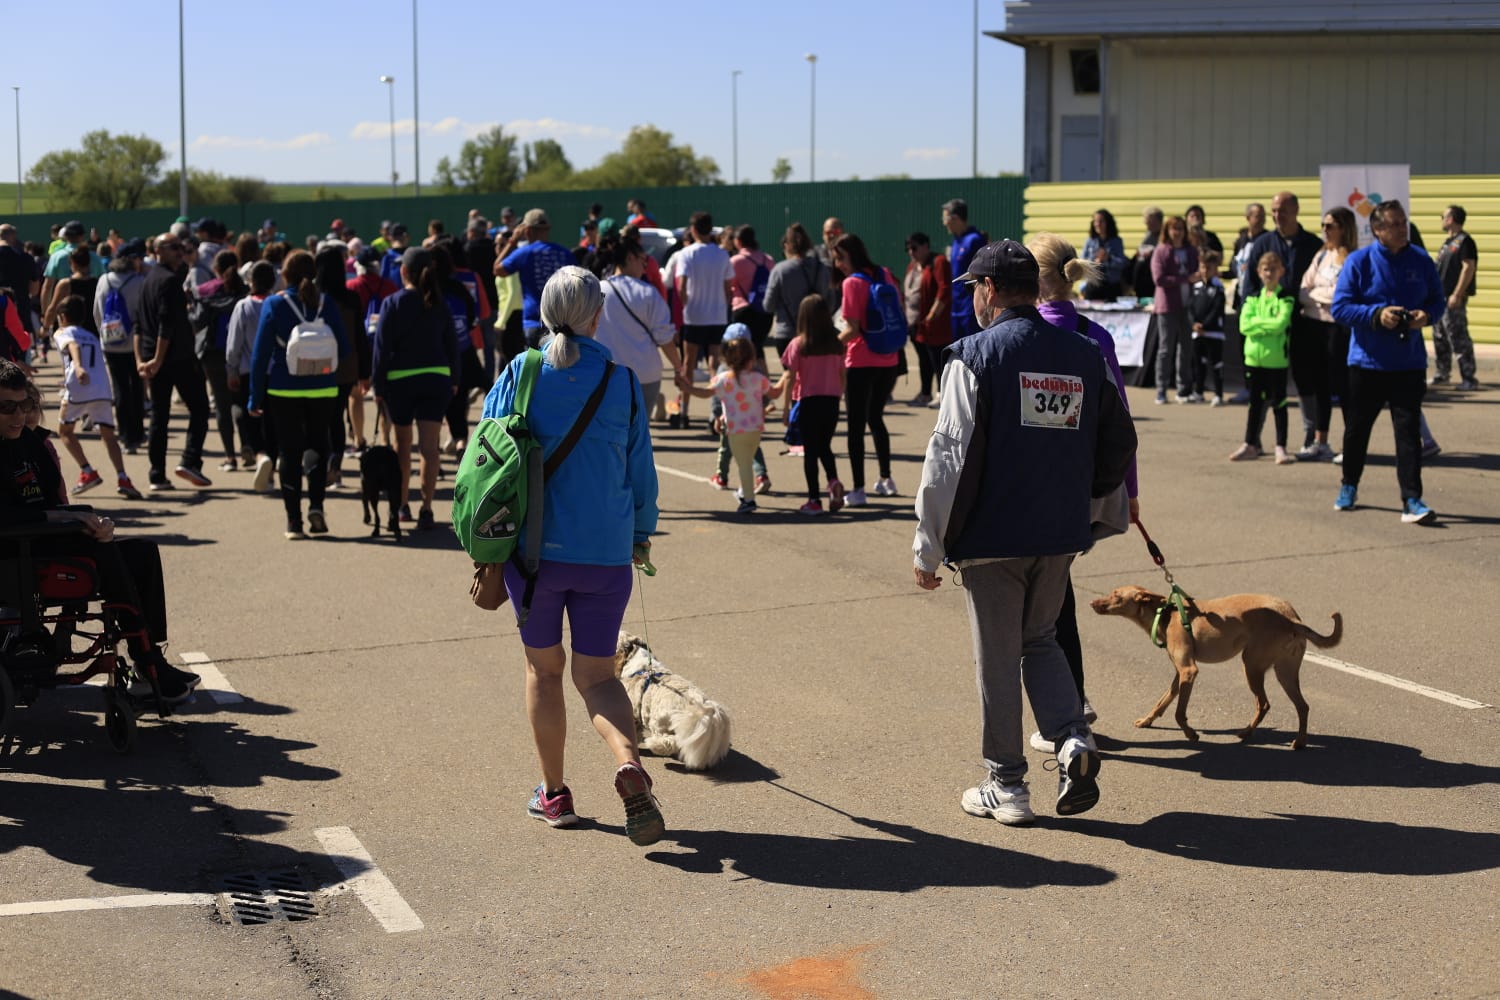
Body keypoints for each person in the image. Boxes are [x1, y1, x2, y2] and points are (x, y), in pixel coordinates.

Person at [911, 240, 1137, 825]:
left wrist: (927, 544)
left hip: (992, 540)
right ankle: (1071, 740)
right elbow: (1120, 441)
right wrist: (1088, 505)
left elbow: (948, 456)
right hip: (1059, 533)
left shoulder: (973, 355)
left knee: (998, 657)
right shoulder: (1084, 353)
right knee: (1041, 640)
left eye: (975, 291)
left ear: (988, 290)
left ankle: (1006, 784)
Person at [480, 265, 664, 846]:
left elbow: (486, 454)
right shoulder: (622, 380)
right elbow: (641, 471)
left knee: (544, 670)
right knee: (597, 675)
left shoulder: (522, 371)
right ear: (595, 316)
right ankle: (628, 762)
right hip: (606, 552)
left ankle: (554, 794)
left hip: (533, 555)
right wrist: (640, 534)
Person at [0, 362, 200, 703]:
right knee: (105, 552)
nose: (19, 415)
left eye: (25, 406)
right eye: (7, 408)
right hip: (11, 557)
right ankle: (150, 665)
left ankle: (149, 661)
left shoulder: (30, 443)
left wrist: (89, 519)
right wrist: (64, 519)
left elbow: (56, 500)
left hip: (45, 543)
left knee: (142, 552)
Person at [1028, 232, 1141, 750]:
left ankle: (1068, 709)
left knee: (1044, 608)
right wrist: (1129, 490)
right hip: (1089, 487)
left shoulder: (1025, 334)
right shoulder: (1096, 336)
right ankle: (1073, 700)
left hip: (1039, 488)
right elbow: (1122, 422)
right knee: (1057, 591)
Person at [1330, 201, 1443, 524]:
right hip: (1367, 364)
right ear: (1377, 230)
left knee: (1408, 434)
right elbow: (1340, 308)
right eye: (1394, 224)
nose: (1401, 229)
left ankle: (1412, 499)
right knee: (1357, 430)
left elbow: (1438, 300)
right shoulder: (1359, 261)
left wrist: (1426, 315)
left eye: (1403, 222)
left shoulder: (1421, 259)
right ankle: (1349, 486)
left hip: (1408, 364)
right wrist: (1377, 315)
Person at [248, 249, 350, 538]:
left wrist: (255, 397)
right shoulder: (326, 303)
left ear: (285, 274)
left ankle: (294, 522)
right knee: (318, 446)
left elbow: (260, 355)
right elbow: (343, 348)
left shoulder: (274, 304)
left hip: (284, 387)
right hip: (323, 387)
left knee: (289, 453)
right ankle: (316, 506)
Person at [369, 247, 459, 531]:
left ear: (403, 271)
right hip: (437, 379)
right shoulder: (439, 302)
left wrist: (378, 384)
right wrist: (454, 378)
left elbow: (381, 349)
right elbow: (452, 345)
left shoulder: (392, 303)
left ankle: (402, 505)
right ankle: (428, 509)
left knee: (402, 447)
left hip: (401, 382)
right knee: (429, 449)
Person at [1243, 192, 1326, 450]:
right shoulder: (1263, 243)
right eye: (1275, 211)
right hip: (1268, 336)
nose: (1278, 215)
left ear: (1296, 210)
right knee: (1263, 391)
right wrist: (1259, 320)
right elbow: (1249, 290)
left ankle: (1310, 436)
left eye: (1283, 210)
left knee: (1307, 379)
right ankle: (1253, 440)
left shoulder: (1312, 244)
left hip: (1303, 323)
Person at [136, 233, 213, 491]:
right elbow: (165, 325)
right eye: (174, 248)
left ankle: (157, 474)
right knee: (200, 408)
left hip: (156, 358)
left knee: (160, 416)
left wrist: (143, 360)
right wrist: (155, 359)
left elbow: (138, 325)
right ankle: (190, 460)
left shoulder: (149, 279)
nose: (180, 251)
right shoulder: (167, 281)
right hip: (175, 358)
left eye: (182, 247)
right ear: (159, 250)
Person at [832, 233, 902, 505]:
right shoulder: (884, 274)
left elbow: (852, 328)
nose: (838, 264)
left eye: (840, 258)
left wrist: (829, 346)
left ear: (852, 255)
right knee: (876, 418)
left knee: (855, 426)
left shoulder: (852, 283)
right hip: (889, 359)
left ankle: (858, 489)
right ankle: (887, 479)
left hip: (861, 360)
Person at [50, 296, 142, 499]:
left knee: (64, 431)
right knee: (108, 436)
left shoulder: (62, 332)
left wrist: (79, 366)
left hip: (79, 385)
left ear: (62, 317)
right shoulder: (91, 335)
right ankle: (123, 477)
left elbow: (72, 346)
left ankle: (87, 471)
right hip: (101, 387)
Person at [680, 333, 780, 514]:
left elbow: (705, 393)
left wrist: (687, 388)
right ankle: (745, 491)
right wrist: (786, 378)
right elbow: (774, 394)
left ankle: (748, 499)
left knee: (743, 464)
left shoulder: (724, 379)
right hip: (756, 429)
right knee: (748, 460)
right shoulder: (758, 378)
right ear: (751, 358)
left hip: (736, 430)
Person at [596, 237, 682, 421]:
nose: (646, 266)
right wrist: (677, 368)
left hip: (606, 375)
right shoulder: (648, 293)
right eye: (643, 260)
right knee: (639, 433)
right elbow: (665, 339)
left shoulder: (596, 291)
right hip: (645, 374)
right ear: (629, 258)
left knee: (611, 432)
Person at [1297, 208, 1358, 460]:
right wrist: (1320, 297)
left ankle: (1351, 444)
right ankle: (1320, 441)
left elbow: (1342, 295)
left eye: (1330, 225)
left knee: (1343, 385)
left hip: (1338, 327)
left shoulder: (1352, 258)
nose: (1325, 230)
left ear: (1344, 228)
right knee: (1319, 383)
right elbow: (1303, 289)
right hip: (1315, 325)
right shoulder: (1321, 255)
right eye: (1323, 224)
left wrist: (1319, 296)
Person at [776, 294, 846, 514]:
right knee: (825, 445)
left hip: (808, 401)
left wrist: (786, 407)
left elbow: (789, 377)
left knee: (811, 451)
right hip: (831, 401)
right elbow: (842, 373)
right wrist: (839, 394)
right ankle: (833, 481)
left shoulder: (798, 344)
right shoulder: (836, 344)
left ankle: (814, 498)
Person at [1232, 253, 1297, 464]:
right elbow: (1244, 325)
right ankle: (1251, 443)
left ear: (1281, 271)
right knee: (1255, 404)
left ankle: (1281, 447)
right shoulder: (1251, 298)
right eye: (1265, 269)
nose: (1269, 273)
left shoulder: (1285, 297)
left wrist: (1258, 325)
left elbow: (1281, 324)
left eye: (1273, 269)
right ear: (1259, 273)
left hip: (1276, 360)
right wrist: (1266, 325)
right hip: (1254, 359)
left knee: (1279, 403)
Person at [671, 212, 735, 429]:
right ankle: (714, 413)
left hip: (694, 316)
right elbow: (729, 288)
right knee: (714, 363)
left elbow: (681, 286)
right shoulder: (722, 255)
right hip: (716, 316)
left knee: (688, 363)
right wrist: (721, 305)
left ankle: (684, 413)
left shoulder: (686, 254)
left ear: (694, 230)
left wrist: (687, 305)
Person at [190, 250, 248, 471]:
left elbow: (197, 321)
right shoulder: (245, 291)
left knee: (222, 404)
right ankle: (247, 446)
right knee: (239, 401)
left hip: (213, 353)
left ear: (216, 269)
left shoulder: (207, 291)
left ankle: (230, 457)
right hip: (240, 353)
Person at [226, 261, 277, 491]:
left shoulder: (243, 307)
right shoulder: (278, 304)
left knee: (252, 418)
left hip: (248, 371)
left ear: (251, 281)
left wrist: (232, 369)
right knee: (273, 422)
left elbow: (233, 344)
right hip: (276, 372)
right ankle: (271, 471)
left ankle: (260, 455)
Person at [93, 239, 148, 454]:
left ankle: (125, 435)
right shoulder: (139, 281)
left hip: (110, 343)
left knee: (119, 389)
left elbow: (98, 312)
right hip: (135, 344)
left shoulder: (104, 280)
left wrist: (103, 334)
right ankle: (137, 432)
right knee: (136, 389)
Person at [495, 209, 576, 349]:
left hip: (533, 323)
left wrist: (512, 241)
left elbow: (497, 269)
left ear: (527, 231)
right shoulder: (565, 254)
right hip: (563, 323)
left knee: (535, 368)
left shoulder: (524, 253)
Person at [764, 223, 834, 365]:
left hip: (787, 332)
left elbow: (768, 305)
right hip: (818, 332)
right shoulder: (823, 268)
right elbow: (831, 302)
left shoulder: (780, 270)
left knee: (791, 379)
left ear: (786, 245)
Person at [1150, 216, 1199, 404]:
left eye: (1180, 228)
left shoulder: (1191, 250)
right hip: (1167, 306)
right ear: (1167, 231)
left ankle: (1183, 389)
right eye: (1174, 228)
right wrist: (1185, 278)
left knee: (1186, 348)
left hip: (1188, 306)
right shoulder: (1161, 251)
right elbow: (1159, 279)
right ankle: (1161, 389)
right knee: (1165, 349)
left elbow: (1198, 274)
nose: (1177, 232)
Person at [1431, 205, 1480, 390]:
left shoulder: (1465, 241)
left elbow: (1468, 267)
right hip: (1439, 298)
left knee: (1458, 336)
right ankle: (1442, 374)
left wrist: (1457, 294)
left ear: (1451, 219)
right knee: (1440, 336)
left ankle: (1469, 378)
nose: (1442, 219)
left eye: (1443, 216)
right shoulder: (1448, 243)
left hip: (1452, 298)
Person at [903, 232, 950, 406]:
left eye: (914, 247)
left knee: (937, 359)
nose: (910, 251)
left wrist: (932, 315)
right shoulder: (912, 266)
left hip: (933, 324)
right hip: (915, 323)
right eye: (907, 248)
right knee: (923, 359)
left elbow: (944, 290)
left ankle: (941, 394)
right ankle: (925, 393)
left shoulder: (938, 262)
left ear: (925, 246)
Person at [729, 225, 776, 362]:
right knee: (758, 348)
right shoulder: (768, 259)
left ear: (738, 241)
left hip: (743, 309)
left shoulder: (736, 261)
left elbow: (727, 285)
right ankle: (763, 380)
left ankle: (742, 382)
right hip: (765, 311)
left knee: (741, 352)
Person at [1188, 250, 1228, 404]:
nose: (1205, 271)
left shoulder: (1218, 288)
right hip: (1197, 333)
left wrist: (1204, 325)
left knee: (1216, 363)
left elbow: (1217, 309)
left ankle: (1218, 394)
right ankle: (1198, 391)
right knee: (1198, 363)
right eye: (1203, 267)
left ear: (1216, 269)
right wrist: (1194, 324)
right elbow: (1190, 308)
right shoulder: (1196, 287)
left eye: (1209, 268)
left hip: (1213, 333)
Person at [943, 199, 985, 341]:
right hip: (956, 308)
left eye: (945, 218)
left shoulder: (975, 240)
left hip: (970, 309)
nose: (944, 223)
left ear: (955, 218)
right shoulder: (956, 241)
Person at [1080, 209, 1127, 300]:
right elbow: (1082, 262)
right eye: (1095, 221)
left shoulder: (1117, 241)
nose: (1098, 224)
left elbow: (1121, 263)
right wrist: (1094, 262)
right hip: (1093, 284)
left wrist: (1108, 258)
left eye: (1101, 221)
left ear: (1108, 223)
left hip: (1111, 284)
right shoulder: (1090, 241)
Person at [814, 217, 845, 313]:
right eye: (828, 233)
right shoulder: (815, 254)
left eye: (835, 232)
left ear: (842, 233)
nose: (831, 235)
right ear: (823, 234)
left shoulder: (849, 253)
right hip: (822, 308)